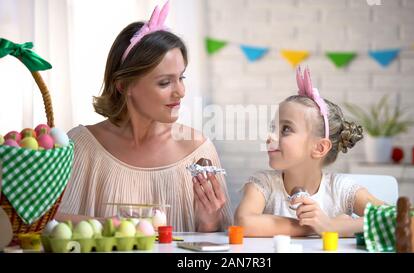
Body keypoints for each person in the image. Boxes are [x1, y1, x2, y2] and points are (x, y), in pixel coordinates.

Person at [56, 1, 232, 232]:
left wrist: (209, 220)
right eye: (165, 82)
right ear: (123, 85)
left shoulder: (198, 152)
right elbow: (44, 222)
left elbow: (221, 245)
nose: (180, 91)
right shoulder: (81, 145)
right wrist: (111, 226)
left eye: (182, 78)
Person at [234, 66, 385, 237]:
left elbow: (394, 217)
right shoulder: (264, 183)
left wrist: (332, 228)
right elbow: (243, 222)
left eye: (285, 129)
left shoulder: (340, 189)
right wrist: (316, 226)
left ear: (319, 148)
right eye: (272, 127)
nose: (270, 136)